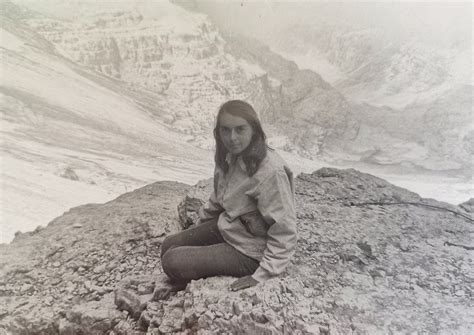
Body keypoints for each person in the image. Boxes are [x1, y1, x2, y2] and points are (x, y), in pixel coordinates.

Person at [157, 100, 297, 296]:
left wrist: (263, 274)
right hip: (231, 228)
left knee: (172, 261)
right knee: (168, 245)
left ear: (254, 129)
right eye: (225, 130)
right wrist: (198, 232)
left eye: (240, 129)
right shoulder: (229, 156)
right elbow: (218, 199)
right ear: (218, 132)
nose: (232, 138)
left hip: (251, 250)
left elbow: (285, 229)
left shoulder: (270, 172)